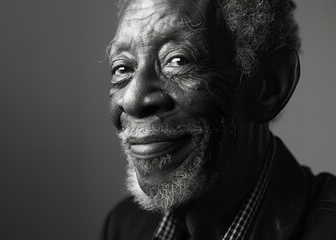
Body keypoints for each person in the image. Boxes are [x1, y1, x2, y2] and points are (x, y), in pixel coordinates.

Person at [101, 0, 336, 239]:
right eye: (122, 68)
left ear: (268, 85)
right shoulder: (123, 227)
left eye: (178, 60)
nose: (132, 100)